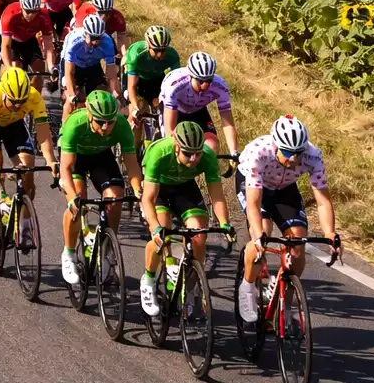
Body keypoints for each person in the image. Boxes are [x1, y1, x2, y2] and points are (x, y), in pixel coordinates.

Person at [235, 115, 340, 323]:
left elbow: (323, 201)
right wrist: (258, 237)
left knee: (297, 243)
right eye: (287, 152)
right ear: (276, 145)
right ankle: (247, 287)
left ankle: (287, 304)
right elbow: (254, 204)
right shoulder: (259, 153)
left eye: (297, 153)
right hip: (257, 187)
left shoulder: (313, 156)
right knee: (261, 235)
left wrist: (330, 233)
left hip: (285, 189)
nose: (293, 159)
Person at [138, 120, 232, 317]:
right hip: (159, 189)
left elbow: (217, 196)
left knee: (198, 233)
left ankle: (190, 284)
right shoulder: (159, 154)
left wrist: (225, 224)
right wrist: (155, 228)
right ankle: (148, 280)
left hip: (185, 188)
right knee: (162, 233)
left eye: (197, 153)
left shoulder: (206, 156)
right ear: (176, 146)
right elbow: (147, 198)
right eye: (188, 153)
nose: (193, 158)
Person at [58, 90, 141, 284]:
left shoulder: (121, 126)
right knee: (78, 200)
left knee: (116, 197)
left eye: (110, 121)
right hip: (76, 157)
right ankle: (69, 253)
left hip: (101, 157)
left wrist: (138, 190)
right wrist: (71, 198)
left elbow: (132, 165)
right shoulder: (75, 125)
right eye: (100, 121)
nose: (105, 127)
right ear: (89, 114)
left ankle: (106, 246)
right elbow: (66, 168)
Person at [0, 67, 57, 247]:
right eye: (13, 101)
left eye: (21, 102)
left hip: (14, 126)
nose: (17, 106)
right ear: (4, 92)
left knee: (28, 169)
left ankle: (25, 225)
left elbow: (44, 135)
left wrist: (51, 161)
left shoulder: (34, 97)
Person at [160, 51, 238, 160]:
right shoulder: (175, 85)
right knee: (173, 149)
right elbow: (170, 130)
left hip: (197, 110)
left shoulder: (220, 86)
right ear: (190, 76)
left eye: (209, 80)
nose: (205, 85)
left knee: (212, 146)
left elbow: (228, 124)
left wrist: (233, 153)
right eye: (200, 81)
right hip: (175, 109)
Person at [60, 13, 120, 119]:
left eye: (98, 38)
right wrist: (71, 94)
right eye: (92, 37)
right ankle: (63, 132)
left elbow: (111, 75)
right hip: (75, 66)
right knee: (72, 101)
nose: (95, 42)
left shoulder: (107, 42)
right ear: (85, 34)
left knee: (103, 95)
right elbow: (69, 73)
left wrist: (113, 93)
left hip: (93, 66)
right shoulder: (74, 41)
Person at [124, 24, 181, 131]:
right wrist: (135, 108)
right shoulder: (136, 54)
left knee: (164, 107)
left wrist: (161, 98)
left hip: (156, 79)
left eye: (163, 50)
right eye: (156, 50)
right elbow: (131, 86)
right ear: (148, 45)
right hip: (137, 79)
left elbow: (174, 84)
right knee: (137, 110)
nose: (160, 55)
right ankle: (130, 143)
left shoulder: (172, 56)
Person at [0, 0, 55, 80]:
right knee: (14, 68)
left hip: (29, 39)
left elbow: (49, 46)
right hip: (12, 40)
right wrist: (9, 68)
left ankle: (35, 93)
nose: (31, 15)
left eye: (34, 11)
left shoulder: (43, 16)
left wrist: (51, 67)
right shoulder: (10, 15)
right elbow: (6, 46)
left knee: (40, 68)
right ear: (21, 7)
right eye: (28, 11)